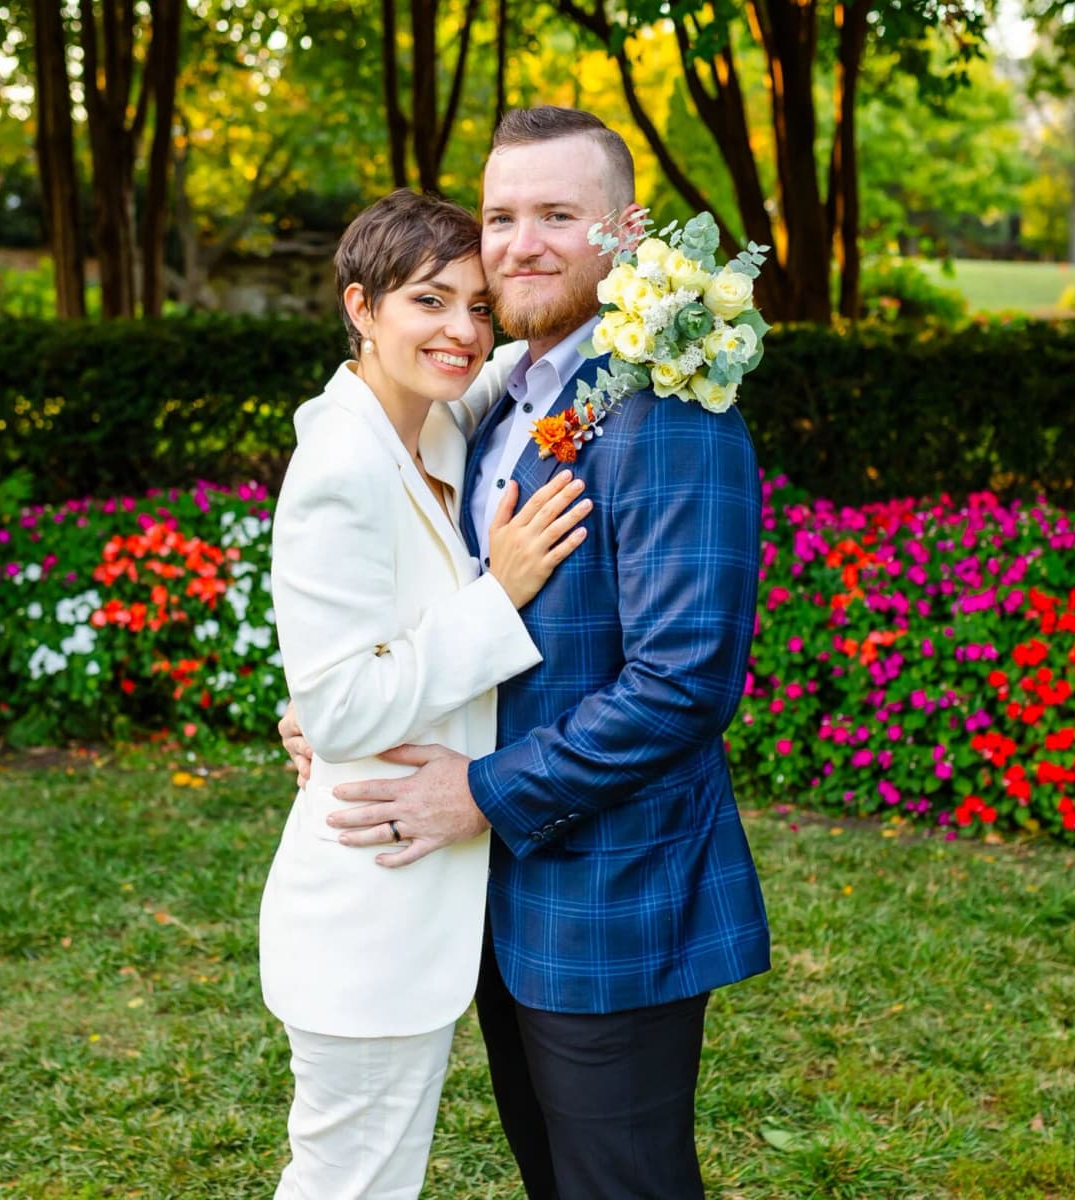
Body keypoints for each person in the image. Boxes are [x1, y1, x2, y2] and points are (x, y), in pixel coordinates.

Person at [281, 108, 772, 1198]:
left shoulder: (671, 406)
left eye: (560, 214)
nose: (522, 244)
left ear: (625, 230)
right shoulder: (506, 399)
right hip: (498, 905)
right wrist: (339, 704)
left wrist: (483, 792)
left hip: (611, 899)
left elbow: (682, 682)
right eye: (502, 216)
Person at [258, 188, 594, 1200]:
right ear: (361, 307)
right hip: (366, 906)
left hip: (419, 909)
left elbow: (537, 357)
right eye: (428, 300)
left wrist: (642, 279)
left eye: (478, 304)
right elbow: (346, 711)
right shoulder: (338, 468)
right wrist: (501, 595)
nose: (461, 329)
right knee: (348, 1185)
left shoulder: (437, 422)